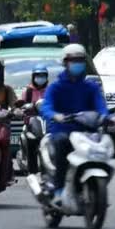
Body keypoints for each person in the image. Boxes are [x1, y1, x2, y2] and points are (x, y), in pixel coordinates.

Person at [40, 44, 109, 203]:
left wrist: (106, 117)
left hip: (86, 132)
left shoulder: (91, 87)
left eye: (80, 60)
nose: (77, 64)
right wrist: (55, 116)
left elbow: (101, 106)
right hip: (62, 130)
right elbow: (46, 106)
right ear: (65, 63)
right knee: (62, 144)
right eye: (73, 60)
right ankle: (58, 189)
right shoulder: (56, 87)